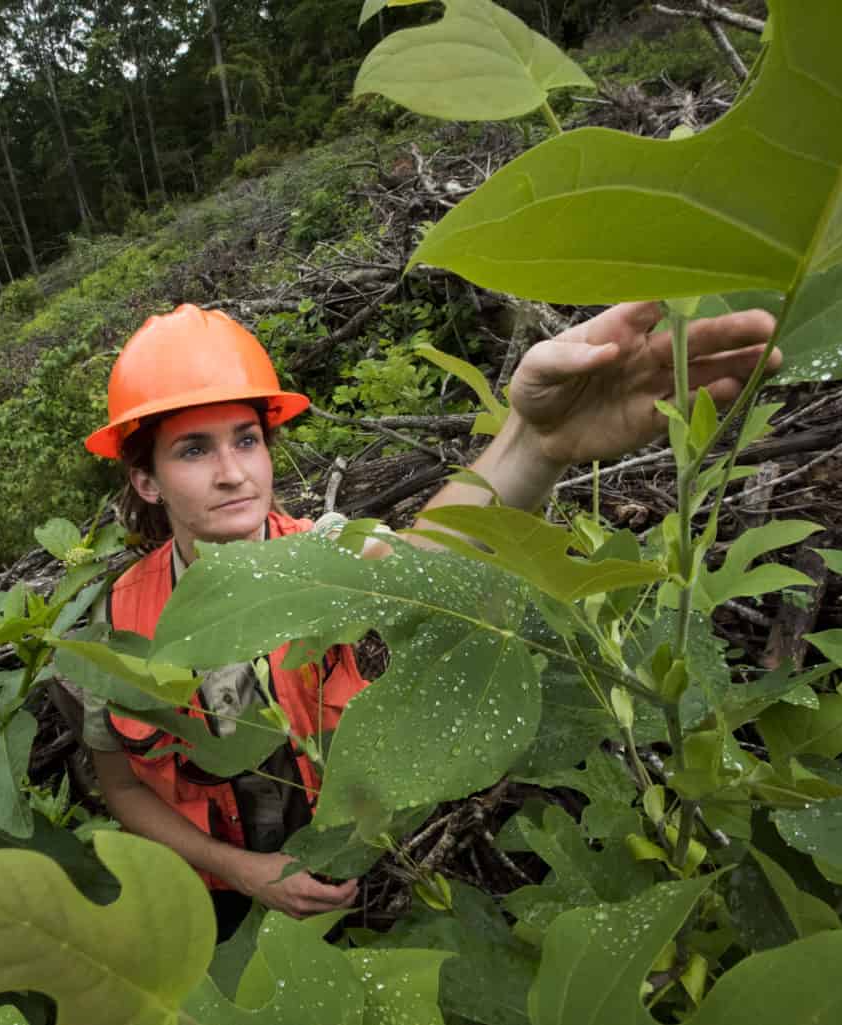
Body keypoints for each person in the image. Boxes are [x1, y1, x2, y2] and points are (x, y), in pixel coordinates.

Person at [72, 301, 776, 935]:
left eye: (246, 438)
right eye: (194, 449)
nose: (233, 471)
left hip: (341, 871)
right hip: (211, 896)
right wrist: (238, 870)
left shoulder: (320, 556)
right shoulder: (120, 622)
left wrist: (534, 440)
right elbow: (124, 786)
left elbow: (426, 558)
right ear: (144, 478)